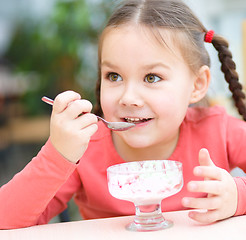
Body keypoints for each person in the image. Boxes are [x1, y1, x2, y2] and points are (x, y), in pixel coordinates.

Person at [1, 0, 246, 229]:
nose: (128, 97)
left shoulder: (219, 130)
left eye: (152, 78)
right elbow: (6, 220)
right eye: (114, 76)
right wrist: (58, 154)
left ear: (197, 85)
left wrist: (238, 197)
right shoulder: (82, 148)